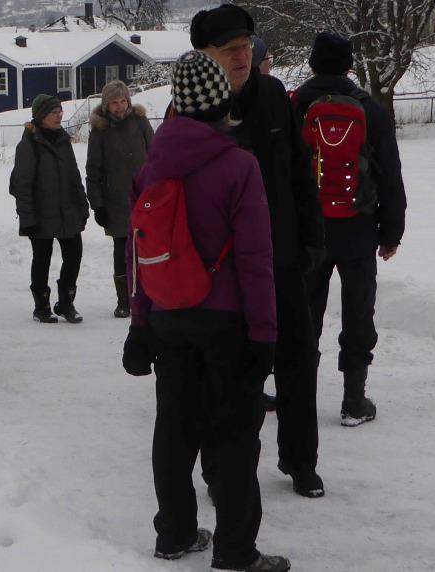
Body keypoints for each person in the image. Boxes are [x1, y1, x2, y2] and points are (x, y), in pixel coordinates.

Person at [122, 51, 287, 572]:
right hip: (226, 323)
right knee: (235, 435)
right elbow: (256, 260)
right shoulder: (239, 166)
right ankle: (236, 552)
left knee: (174, 428)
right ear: (222, 101)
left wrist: (140, 322)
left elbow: (141, 253)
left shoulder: (149, 167)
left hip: (168, 317)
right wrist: (265, 333)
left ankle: (173, 532)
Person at [191, 4, 328, 499]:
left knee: (299, 359)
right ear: (205, 55)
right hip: (223, 272)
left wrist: (312, 236)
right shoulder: (192, 106)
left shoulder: (273, 96)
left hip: (282, 257)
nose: (241, 56)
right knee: (228, 375)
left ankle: (300, 459)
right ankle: (220, 467)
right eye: (229, 50)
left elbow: (299, 171)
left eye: (246, 47)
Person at [291, 32, 407, 427]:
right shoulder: (369, 108)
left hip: (308, 229)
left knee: (305, 313)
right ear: (349, 65)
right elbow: (389, 173)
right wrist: (392, 232)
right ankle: (353, 400)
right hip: (358, 227)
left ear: (312, 63)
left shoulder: (297, 104)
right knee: (358, 312)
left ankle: (298, 394)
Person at [11, 94, 90, 324]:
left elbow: (74, 177)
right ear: (41, 116)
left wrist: (82, 207)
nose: (59, 115)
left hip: (68, 213)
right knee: (42, 259)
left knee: (74, 255)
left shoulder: (64, 141)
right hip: (40, 215)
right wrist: (27, 219)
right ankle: (42, 306)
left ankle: (66, 303)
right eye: (54, 112)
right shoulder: (28, 145)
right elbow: (22, 186)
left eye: (60, 111)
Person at [85, 80, 152, 319]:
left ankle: (148, 296)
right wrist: (98, 204)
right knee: (122, 251)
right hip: (115, 201)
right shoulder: (100, 130)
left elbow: (155, 155)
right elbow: (93, 170)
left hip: (145, 198)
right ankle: (124, 300)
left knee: (148, 249)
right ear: (106, 105)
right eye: (114, 102)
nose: (120, 106)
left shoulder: (140, 122)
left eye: (123, 101)